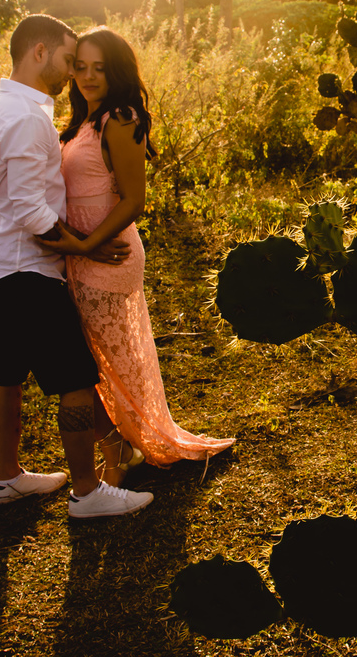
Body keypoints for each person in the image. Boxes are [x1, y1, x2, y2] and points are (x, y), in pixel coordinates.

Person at [0, 14, 153, 519]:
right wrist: (83, 247)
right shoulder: (28, 117)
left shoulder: (2, 106)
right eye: (71, 61)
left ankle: (7, 479)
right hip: (28, 267)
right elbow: (31, 212)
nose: (75, 73)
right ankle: (87, 492)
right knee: (73, 376)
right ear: (41, 51)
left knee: (6, 372)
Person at [42, 26, 234, 480]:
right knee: (87, 363)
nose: (88, 77)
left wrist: (85, 244)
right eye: (81, 67)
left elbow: (133, 200)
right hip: (79, 252)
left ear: (117, 72)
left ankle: (125, 451)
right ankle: (120, 449)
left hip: (108, 254)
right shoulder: (80, 123)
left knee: (105, 363)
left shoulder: (121, 118)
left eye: (99, 68)